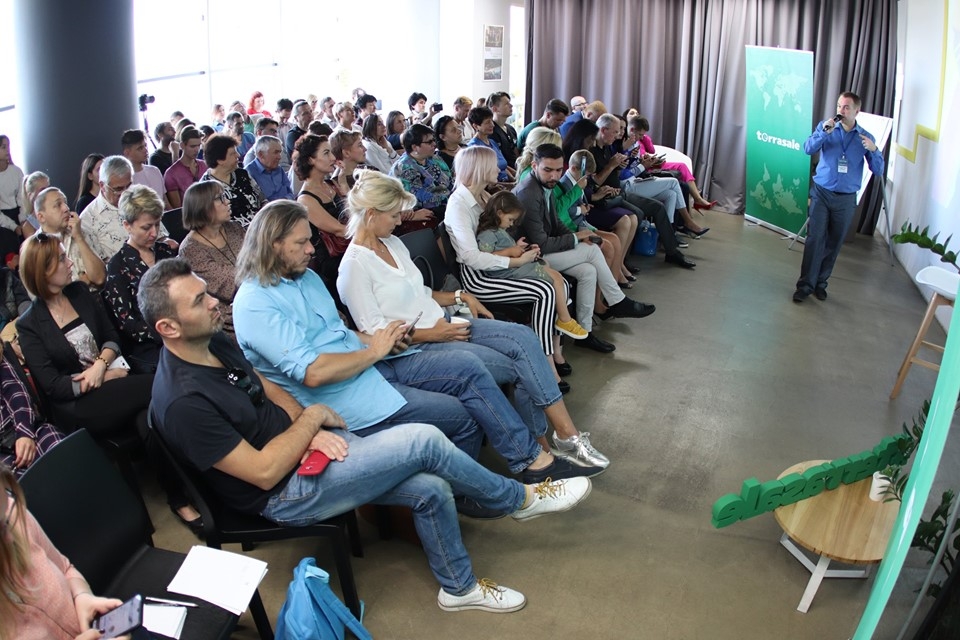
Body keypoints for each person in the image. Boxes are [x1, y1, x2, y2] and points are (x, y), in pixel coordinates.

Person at [141, 258, 591, 614]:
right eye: (199, 300)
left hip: (307, 449)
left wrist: (305, 428)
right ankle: (519, 500)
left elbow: (266, 387)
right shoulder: (183, 401)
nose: (214, 302)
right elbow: (262, 473)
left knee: (431, 488)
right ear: (168, 328)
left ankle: (459, 589)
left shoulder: (212, 342)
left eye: (207, 292)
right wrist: (311, 422)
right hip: (283, 493)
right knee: (422, 440)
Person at [231, 200, 601, 484]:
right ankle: (521, 467)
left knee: (517, 345)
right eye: (301, 243)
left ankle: (530, 457)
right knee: (476, 375)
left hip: (376, 367)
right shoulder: (259, 301)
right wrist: (384, 346)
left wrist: (388, 339)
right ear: (273, 245)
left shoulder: (309, 278)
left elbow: (348, 333)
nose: (312, 249)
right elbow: (313, 372)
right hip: (358, 387)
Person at [337, 172, 608, 469]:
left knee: (524, 338)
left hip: (444, 325)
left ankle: (563, 437)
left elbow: (419, 293)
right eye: (393, 215)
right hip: (411, 350)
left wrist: (460, 296)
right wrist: (433, 334)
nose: (400, 221)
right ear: (371, 214)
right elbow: (376, 338)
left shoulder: (391, 243)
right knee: (522, 366)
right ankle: (543, 447)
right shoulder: (354, 267)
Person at [514, 144, 656, 353]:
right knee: (592, 251)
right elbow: (542, 244)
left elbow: (556, 223)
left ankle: (585, 332)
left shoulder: (545, 185)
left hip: (543, 250)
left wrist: (579, 238)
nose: (554, 176)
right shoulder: (528, 193)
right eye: (548, 170)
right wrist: (576, 237)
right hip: (529, 257)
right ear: (534, 166)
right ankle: (617, 300)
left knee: (588, 271)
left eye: (558, 170)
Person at [0, 467, 133, 639]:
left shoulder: (13, 515)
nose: (11, 537)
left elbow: (65, 568)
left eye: (5, 518)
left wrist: (82, 596)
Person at [793, 92, 884, 303]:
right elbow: (808, 148)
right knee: (815, 239)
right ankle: (805, 286)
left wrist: (875, 150)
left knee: (833, 243)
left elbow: (878, 170)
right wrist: (823, 133)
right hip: (822, 193)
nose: (840, 111)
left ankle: (820, 284)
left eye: (846, 107)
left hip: (845, 199)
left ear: (856, 111)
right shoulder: (827, 128)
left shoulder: (865, 137)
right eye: (839, 106)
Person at [475, 191, 587, 339]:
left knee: (547, 265)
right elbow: (487, 256)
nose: (511, 224)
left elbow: (503, 250)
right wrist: (511, 250)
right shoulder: (487, 234)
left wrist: (520, 247)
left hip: (512, 267)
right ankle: (565, 319)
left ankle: (560, 306)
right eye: (510, 219)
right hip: (505, 272)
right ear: (499, 213)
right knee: (556, 277)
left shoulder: (499, 230)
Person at [100, 185, 176, 374]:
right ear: (127, 225)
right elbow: (128, 324)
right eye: (146, 227)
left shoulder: (165, 252)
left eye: (157, 224)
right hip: (151, 347)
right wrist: (170, 329)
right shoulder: (118, 266)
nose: (154, 233)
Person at [178, 182, 243, 337]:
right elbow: (232, 282)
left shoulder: (234, 227)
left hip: (256, 299)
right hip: (228, 320)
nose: (227, 201)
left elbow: (260, 258)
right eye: (220, 198)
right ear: (203, 207)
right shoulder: (190, 250)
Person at [80, 156, 173, 263]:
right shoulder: (88, 220)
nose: (125, 193)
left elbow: (160, 235)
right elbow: (97, 266)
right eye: (118, 189)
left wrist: (167, 242)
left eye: (128, 186)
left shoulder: (141, 200)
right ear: (102, 186)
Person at [0, 348, 64, 478]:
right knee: (19, 485)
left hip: (24, 428)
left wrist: (24, 433)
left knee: (62, 453)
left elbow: (16, 392)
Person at [34, 187, 106, 288]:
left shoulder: (80, 231)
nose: (66, 208)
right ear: (41, 217)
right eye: (58, 205)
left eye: (65, 203)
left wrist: (79, 238)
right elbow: (42, 291)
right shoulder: (35, 248)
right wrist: (79, 286)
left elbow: (100, 278)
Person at [199, 134, 265, 228]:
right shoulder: (207, 187)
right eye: (232, 153)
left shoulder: (242, 174)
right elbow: (212, 223)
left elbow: (262, 199)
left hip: (260, 226)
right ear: (220, 160)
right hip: (234, 233)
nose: (238, 155)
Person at [389, 124, 452, 220]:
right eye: (429, 142)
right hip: (427, 216)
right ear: (415, 147)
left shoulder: (435, 158)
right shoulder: (404, 168)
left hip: (448, 207)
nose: (434, 144)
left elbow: (450, 181)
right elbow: (417, 201)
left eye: (434, 140)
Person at [121, 129, 169, 210]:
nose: (145, 150)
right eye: (140, 148)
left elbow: (165, 201)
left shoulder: (155, 170)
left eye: (145, 145)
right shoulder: (124, 179)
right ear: (127, 153)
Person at [163, 125, 207, 208]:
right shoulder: (171, 173)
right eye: (192, 146)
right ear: (182, 145)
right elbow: (178, 208)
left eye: (199, 145)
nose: (197, 150)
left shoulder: (204, 165)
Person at [466, 106, 514, 182]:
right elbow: (482, 178)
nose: (492, 125)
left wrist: (515, 178)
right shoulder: (474, 147)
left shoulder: (492, 142)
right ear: (475, 126)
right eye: (487, 122)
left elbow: (503, 167)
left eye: (492, 121)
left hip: (506, 182)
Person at [244, 135, 293, 202]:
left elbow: (290, 192)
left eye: (280, 152)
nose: (279, 157)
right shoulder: (248, 173)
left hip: (286, 205)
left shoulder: (279, 169)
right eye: (276, 152)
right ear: (261, 154)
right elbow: (255, 202)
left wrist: (285, 200)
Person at [0, 135, 25, 237]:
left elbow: (22, 199)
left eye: (8, 146)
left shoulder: (16, 171)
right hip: (3, 220)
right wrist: (13, 227)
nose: (7, 150)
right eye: (3, 147)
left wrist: (22, 220)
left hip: (19, 214)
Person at [487, 92, 519, 169]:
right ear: (495, 109)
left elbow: (516, 152)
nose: (511, 105)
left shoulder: (511, 129)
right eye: (506, 104)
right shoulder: (491, 131)